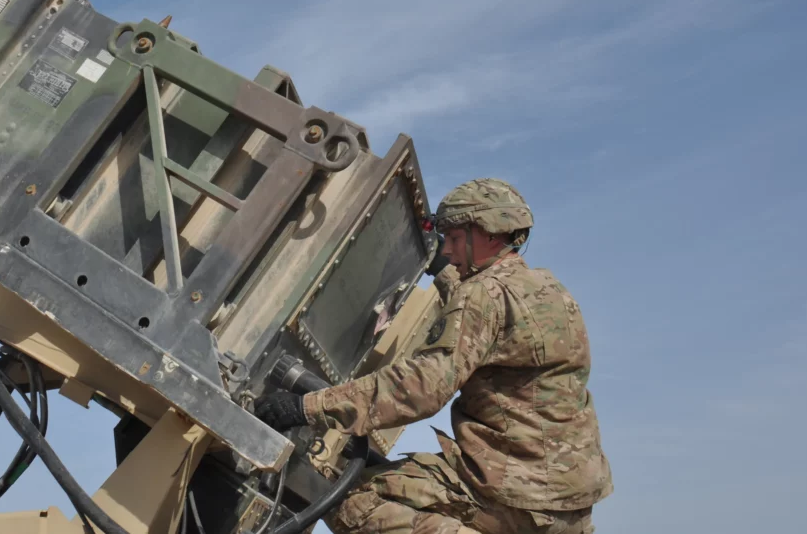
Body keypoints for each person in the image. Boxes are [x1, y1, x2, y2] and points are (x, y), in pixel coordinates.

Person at [254, 178, 611, 534]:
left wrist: (308, 407)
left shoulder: (483, 295)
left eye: (455, 240)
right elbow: (490, 321)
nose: (450, 252)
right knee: (383, 477)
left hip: (511, 496)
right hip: (565, 504)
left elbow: (422, 387)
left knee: (353, 501)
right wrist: (444, 274)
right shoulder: (550, 292)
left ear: (486, 234)